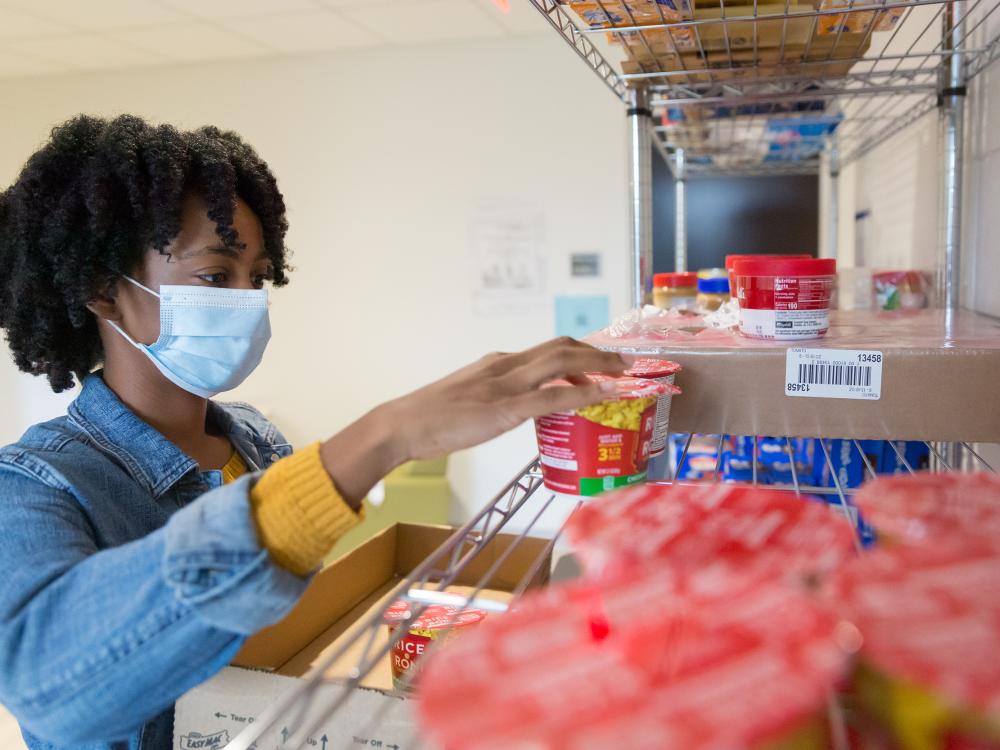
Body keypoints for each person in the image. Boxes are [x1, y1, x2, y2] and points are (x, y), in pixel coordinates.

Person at [0, 115, 628, 750]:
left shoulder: (254, 440)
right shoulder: (36, 483)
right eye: (217, 277)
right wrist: (383, 436)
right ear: (106, 293)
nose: (248, 301)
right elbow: (49, 689)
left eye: (258, 278)